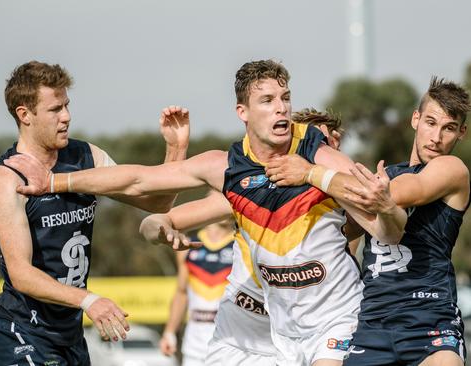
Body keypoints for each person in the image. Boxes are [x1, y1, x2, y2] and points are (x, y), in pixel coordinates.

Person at [6, 60, 408, 366]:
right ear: (243, 112)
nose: (281, 109)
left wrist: (352, 190)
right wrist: (57, 184)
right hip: (263, 328)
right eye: (268, 101)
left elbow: (389, 231)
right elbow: (145, 187)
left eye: (285, 99)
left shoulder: (322, 160)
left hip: (329, 321)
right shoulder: (229, 170)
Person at [265, 76, 471, 366]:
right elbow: (344, 239)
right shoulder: (383, 173)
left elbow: (395, 193)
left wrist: (311, 171)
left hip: (430, 321)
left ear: (461, 133)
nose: (436, 137)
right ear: (416, 119)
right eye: (430, 122)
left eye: (448, 128)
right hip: (372, 324)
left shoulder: (451, 169)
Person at [0, 61, 190, 365]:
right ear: (25, 115)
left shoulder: (87, 156)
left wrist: (176, 151)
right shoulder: (8, 178)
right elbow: (21, 275)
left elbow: (156, 202)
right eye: (55, 109)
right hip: (22, 332)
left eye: (67, 105)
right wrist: (89, 301)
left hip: (70, 335)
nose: (67, 117)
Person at [142, 107, 349, 366]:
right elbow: (161, 217)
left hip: (308, 333)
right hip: (246, 333)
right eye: (304, 145)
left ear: (334, 143)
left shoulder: (346, 198)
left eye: (320, 145)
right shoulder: (253, 194)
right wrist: (161, 229)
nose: (309, 154)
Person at [157, 218, 236, 366]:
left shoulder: (242, 244)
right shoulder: (188, 245)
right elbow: (181, 292)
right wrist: (169, 332)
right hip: (194, 346)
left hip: (231, 345)